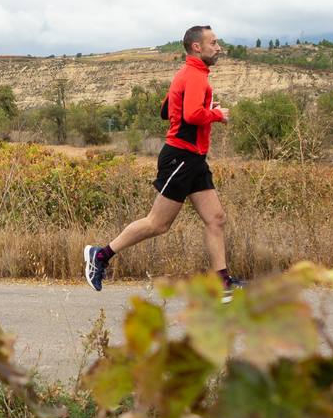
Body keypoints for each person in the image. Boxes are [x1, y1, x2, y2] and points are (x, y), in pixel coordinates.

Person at [84, 25, 244, 300]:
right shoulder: (194, 75)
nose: (219, 48)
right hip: (181, 157)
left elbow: (165, 109)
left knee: (216, 219)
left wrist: (202, 105)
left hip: (193, 159)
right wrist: (215, 114)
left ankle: (223, 283)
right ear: (197, 47)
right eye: (214, 43)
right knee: (158, 224)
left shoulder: (188, 74)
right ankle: (100, 255)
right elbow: (192, 115)